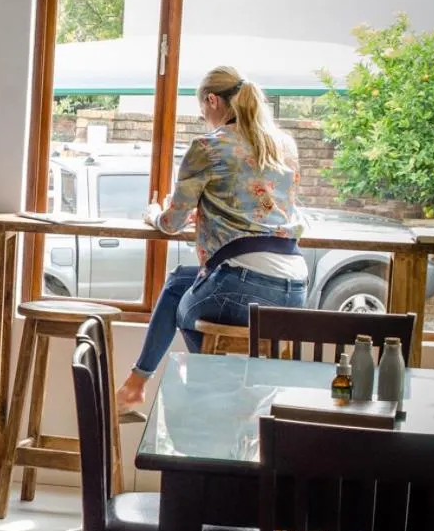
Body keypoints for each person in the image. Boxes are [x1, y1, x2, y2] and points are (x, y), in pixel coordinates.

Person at [116, 66, 309, 411]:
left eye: (202, 110)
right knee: (179, 281)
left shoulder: (208, 146)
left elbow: (171, 222)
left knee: (181, 305)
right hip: (294, 289)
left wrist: (153, 215)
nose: (204, 117)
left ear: (212, 100)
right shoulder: (283, 145)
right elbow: (264, 205)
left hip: (242, 286)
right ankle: (234, 396)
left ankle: (210, 395)